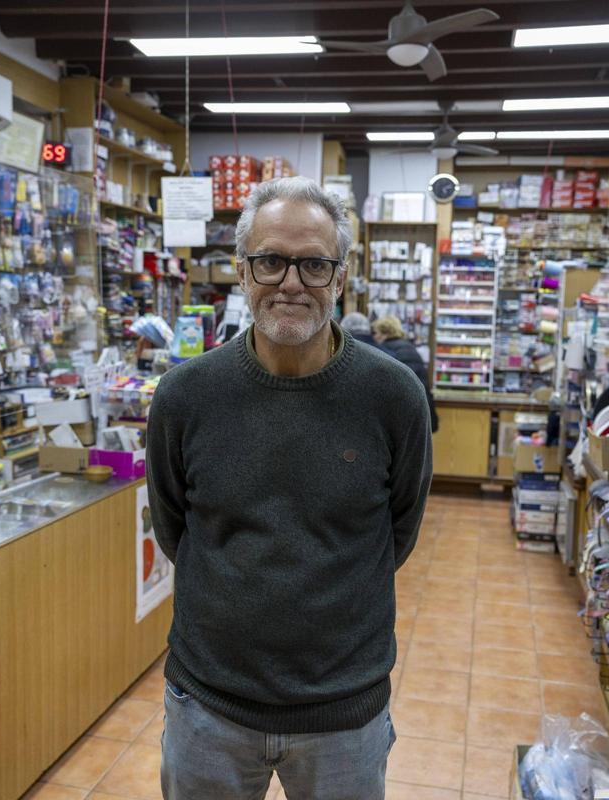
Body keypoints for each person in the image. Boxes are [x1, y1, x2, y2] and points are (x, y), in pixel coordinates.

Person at [146, 176, 433, 800]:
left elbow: (399, 530)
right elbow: (175, 529)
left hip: (343, 709)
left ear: (341, 275)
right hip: (208, 705)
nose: (291, 283)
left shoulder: (393, 396)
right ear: (242, 271)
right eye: (271, 261)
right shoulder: (185, 396)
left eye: (314, 264)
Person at [373, 315, 438, 433]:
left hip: (403, 416)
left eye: (376, 333)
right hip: (421, 410)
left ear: (385, 333)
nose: (374, 336)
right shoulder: (410, 348)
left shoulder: (385, 351)